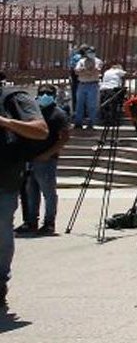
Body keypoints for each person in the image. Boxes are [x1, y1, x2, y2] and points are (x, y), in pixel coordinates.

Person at [1, 81, 50, 312]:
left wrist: (3, 122)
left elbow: (41, 130)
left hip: (4, 179)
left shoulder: (13, 97)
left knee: (1, 229)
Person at [15, 84, 69, 236]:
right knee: (31, 192)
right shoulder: (33, 111)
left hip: (47, 160)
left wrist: (49, 154)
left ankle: (49, 223)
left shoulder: (58, 114)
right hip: (30, 158)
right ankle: (31, 222)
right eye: (42, 93)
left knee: (49, 193)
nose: (45, 95)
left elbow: (64, 137)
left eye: (48, 93)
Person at [72, 46, 102, 130]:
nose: (90, 54)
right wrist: (88, 71)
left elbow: (96, 70)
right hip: (82, 84)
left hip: (93, 84)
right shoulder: (81, 61)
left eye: (92, 52)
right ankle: (78, 123)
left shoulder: (98, 61)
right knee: (79, 104)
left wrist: (84, 71)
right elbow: (76, 71)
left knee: (92, 105)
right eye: (89, 52)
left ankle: (91, 123)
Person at [99, 61, 127, 126]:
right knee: (113, 105)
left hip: (103, 89)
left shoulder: (107, 72)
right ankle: (112, 121)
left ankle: (104, 121)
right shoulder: (117, 71)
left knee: (105, 106)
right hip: (112, 89)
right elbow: (127, 74)